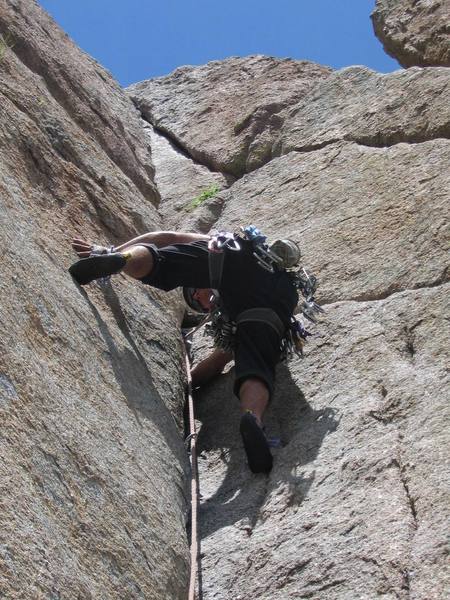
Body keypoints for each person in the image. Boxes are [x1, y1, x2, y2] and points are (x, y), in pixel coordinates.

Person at [69, 229, 301, 473]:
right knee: (255, 364)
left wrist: (111, 249)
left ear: (195, 286)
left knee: (165, 262)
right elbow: (216, 364)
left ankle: (122, 258)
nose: (204, 304)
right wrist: (186, 386)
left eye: (195, 298)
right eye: (198, 307)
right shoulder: (234, 319)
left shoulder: (230, 248)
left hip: (237, 256)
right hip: (279, 295)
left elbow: (166, 237)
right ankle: (252, 419)